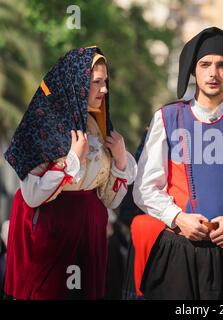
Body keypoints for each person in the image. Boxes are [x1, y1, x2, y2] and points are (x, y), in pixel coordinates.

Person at [128, 27, 223, 300]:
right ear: (193, 71)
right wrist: (177, 218)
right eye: (205, 65)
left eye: (222, 65)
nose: (213, 73)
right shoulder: (167, 117)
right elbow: (145, 188)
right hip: (178, 249)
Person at [3, 47, 137, 299]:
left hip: (90, 235)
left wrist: (120, 159)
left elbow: (110, 200)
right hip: (50, 235)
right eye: (96, 82)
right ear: (75, 83)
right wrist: (72, 159)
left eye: (105, 82)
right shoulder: (44, 123)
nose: (105, 89)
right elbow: (31, 196)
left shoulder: (100, 125)